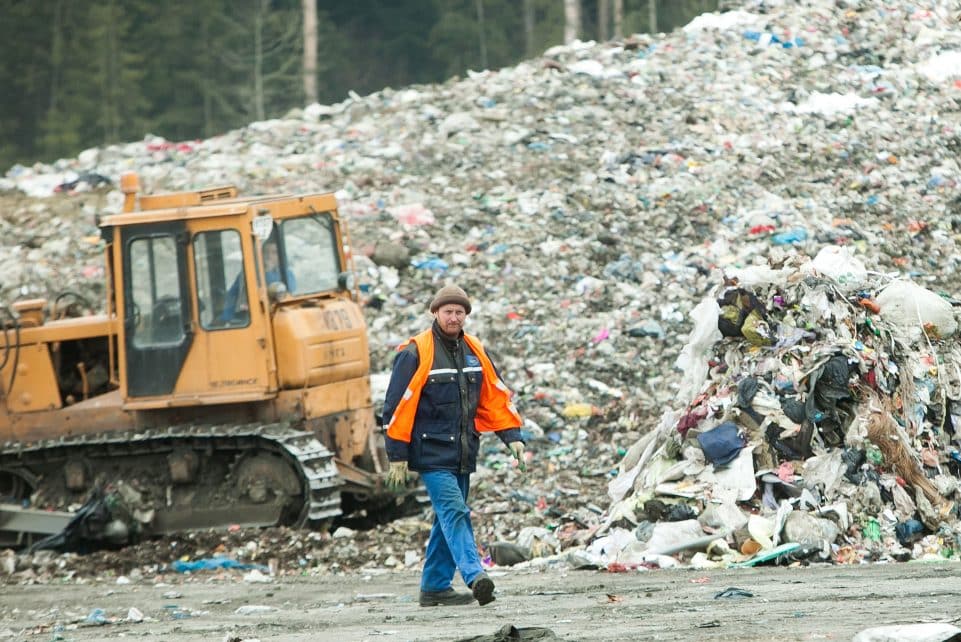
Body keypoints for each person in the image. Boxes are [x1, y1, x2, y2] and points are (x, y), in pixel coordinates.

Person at [383, 284, 526, 608]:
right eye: (448, 311)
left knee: (446, 518)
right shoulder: (415, 352)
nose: (453, 317)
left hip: (463, 451)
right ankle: (476, 576)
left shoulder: (474, 350)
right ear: (435, 313)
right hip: (430, 453)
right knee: (455, 511)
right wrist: (397, 455)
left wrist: (513, 438)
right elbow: (395, 407)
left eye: (459, 312)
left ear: (465, 316)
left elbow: (493, 397)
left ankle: (434, 587)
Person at [220, 241, 295, 323]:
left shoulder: (286, 273)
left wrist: (268, 272)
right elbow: (232, 295)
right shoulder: (248, 274)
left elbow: (290, 289)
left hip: (279, 318)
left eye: (274, 253)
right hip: (252, 318)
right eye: (266, 252)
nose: (269, 256)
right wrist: (226, 317)